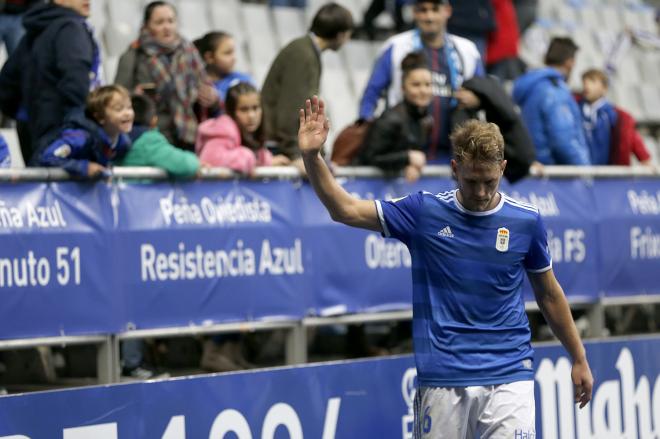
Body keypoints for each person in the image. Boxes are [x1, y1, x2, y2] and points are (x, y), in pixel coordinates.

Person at [298, 96, 593, 438]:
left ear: (502, 168)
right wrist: (311, 156)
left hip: (510, 373)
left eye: (489, 181)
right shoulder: (423, 212)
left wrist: (578, 356)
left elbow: (549, 294)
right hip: (443, 377)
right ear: (455, 169)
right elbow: (344, 209)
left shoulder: (526, 221)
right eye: (471, 181)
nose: (481, 192)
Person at [359, 0, 483, 164]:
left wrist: (477, 99)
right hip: (405, 158)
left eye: (435, 9)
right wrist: (366, 128)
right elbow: (372, 93)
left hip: (452, 159)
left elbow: (485, 94)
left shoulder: (467, 50)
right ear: (415, 13)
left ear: (447, 11)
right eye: (423, 10)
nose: (429, 17)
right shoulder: (396, 47)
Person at [0, 0, 102, 163]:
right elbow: (76, 83)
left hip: (34, 131)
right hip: (67, 134)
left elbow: (7, 82)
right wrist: (84, 123)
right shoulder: (71, 28)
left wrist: (27, 117)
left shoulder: (34, 30)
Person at [114, 1, 220, 151]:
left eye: (171, 21)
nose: (167, 27)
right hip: (152, 136)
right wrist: (135, 98)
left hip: (189, 136)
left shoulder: (189, 51)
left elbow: (207, 89)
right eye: (159, 22)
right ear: (146, 26)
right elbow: (117, 98)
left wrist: (212, 97)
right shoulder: (133, 55)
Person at [261, 2, 353, 170]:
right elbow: (291, 109)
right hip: (278, 149)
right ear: (340, 35)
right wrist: (295, 154)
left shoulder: (305, 50)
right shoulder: (304, 55)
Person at [513, 37, 590, 165]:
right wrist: (585, 171)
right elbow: (563, 140)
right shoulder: (555, 91)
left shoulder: (534, 85)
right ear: (570, 62)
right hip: (554, 175)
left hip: (536, 168)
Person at [357, 52, 432, 182]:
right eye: (416, 85)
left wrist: (409, 164)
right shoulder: (390, 119)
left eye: (428, 85)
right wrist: (407, 158)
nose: (423, 91)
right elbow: (370, 157)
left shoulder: (425, 120)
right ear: (403, 88)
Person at [452, 76, 540, 183]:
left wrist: (529, 163)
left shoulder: (502, 116)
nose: (458, 95)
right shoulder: (462, 114)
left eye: (464, 91)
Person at [38, 85, 133, 177]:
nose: (128, 113)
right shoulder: (80, 137)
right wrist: (84, 167)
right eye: (119, 109)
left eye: (129, 107)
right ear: (100, 117)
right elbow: (48, 157)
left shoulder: (123, 143)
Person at [196, 82, 290, 174]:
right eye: (244, 109)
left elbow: (256, 154)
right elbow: (209, 159)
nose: (251, 116)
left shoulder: (250, 133)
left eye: (255, 108)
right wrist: (250, 158)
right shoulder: (224, 131)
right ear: (231, 112)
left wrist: (267, 161)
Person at [577, 69, 652, 166]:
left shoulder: (616, 116)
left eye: (592, 81)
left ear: (604, 88)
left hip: (608, 173)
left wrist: (645, 160)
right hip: (581, 172)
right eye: (584, 82)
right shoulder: (576, 110)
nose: (587, 85)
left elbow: (631, 138)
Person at [118, 94, 201, 178]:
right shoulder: (149, 142)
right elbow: (186, 165)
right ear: (154, 120)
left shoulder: (114, 136)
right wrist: (197, 163)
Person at [193, 31, 255, 103]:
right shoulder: (197, 83)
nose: (234, 58)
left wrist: (217, 101)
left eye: (233, 52)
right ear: (209, 57)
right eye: (227, 53)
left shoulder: (243, 80)